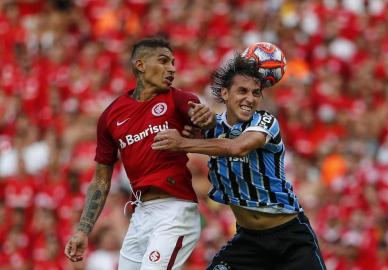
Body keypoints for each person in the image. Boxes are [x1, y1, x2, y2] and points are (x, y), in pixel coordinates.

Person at [152, 55, 327, 270]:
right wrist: (193, 123)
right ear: (224, 93)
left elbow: (236, 147)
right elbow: (187, 116)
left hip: (290, 236)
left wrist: (182, 142)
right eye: (242, 91)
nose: (250, 99)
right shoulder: (211, 126)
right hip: (249, 240)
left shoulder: (265, 122)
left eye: (256, 93)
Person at [64, 37, 215, 270]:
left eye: (173, 62)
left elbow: (206, 121)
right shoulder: (111, 115)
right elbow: (101, 179)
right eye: (164, 61)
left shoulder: (178, 99)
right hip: (140, 215)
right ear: (140, 65)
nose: (172, 68)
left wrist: (206, 119)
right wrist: (83, 230)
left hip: (175, 210)